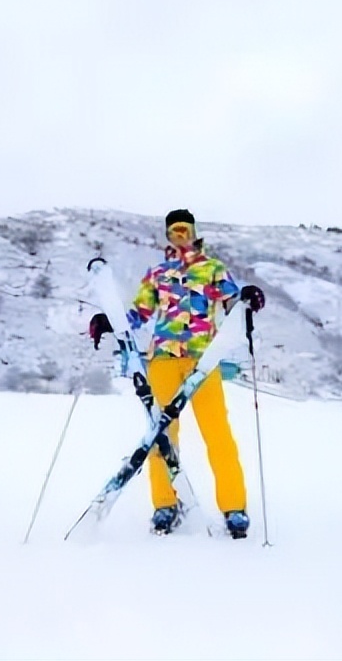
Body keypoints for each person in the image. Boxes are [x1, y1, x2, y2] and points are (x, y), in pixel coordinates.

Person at [89, 209, 265, 538]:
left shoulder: (212, 269)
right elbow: (137, 314)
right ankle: (166, 504)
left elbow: (231, 301)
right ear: (168, 235)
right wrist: (108, 320)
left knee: (218, 435)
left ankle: (234, 507)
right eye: (174, 231)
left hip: (202, 360)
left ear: (194, 232)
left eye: (184, 229)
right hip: (164, 361)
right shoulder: (158, 274)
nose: (179, 236)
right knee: (161, 435)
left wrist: (246, 296)